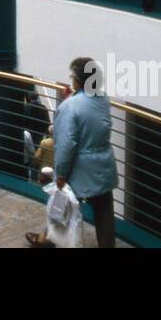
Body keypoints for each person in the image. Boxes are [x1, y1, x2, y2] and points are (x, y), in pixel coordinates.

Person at [51, 57, 118, 248]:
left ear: (78, 80)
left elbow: (66, 143)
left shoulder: (69, 106)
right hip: (103, 165)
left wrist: (61, 173)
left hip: (80, 169)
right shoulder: (103, 99)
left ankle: (51, 237)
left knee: (61, 204)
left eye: (72, 76)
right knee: (104, 211)